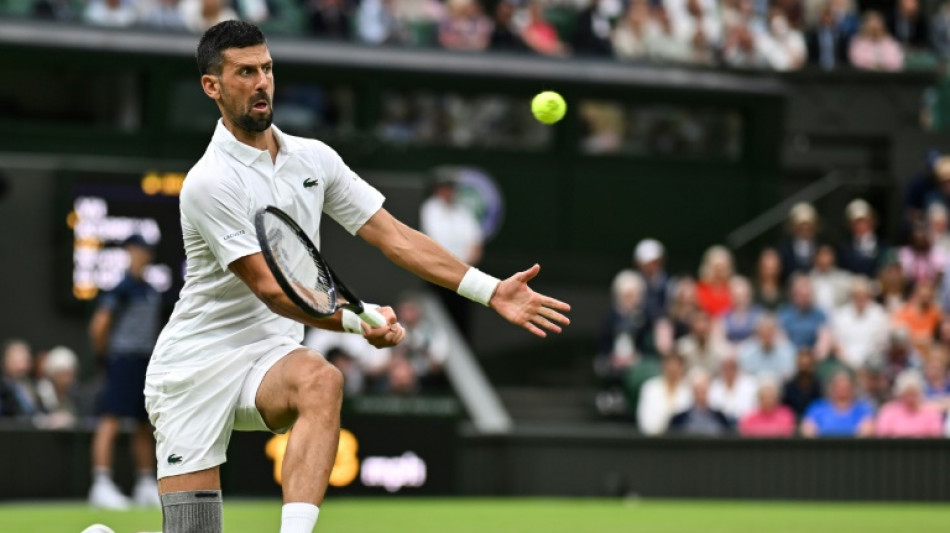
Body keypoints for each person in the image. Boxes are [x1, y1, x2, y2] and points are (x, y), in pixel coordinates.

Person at [127, 21, 570, 533]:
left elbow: (396, 237)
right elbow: (272, 289)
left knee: (321, 379)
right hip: (194, 369)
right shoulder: (209, 182)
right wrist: (358, 322)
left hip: (269, 358)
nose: (262, 82)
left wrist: (490, 291)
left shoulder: (314, 159)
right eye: (245, 72)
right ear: (212, 86)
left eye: (267, 68)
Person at [88, 235, 163, 510]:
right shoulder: (121, 288)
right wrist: (107, 358)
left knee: (144, 423)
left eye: (147, 251)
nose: (143, 255)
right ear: (130, 252)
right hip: (122, 361)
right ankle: (101, 484)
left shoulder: (150, 290)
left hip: (145, 363)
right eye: (139, 250)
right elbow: (99, 327)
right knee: (110, 419)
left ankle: (145, 483)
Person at [420, 173, 485, 339]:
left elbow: (476, 245)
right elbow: (433, 243)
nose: (448, 192)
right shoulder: (430, 209)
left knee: (462, 321)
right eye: (445, 188)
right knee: (440, 319)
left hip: (464, 277)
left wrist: (465, 270)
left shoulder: (464, 212)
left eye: (451, 188)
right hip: (438, 277)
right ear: (437, 190)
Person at [830, 276, 889, 370]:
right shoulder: (841, 315)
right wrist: (848, 362)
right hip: (845, 362)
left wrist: (865, 364)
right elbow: (837, 343)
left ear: (869, 296)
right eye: (857, 296)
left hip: (872, 363)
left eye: (864, 295)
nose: (860, 299)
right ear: (851, 297)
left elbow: (880, 343)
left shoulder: (879, 314)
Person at [801, 371, 875, 437]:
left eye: (846, 387)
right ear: (831, 388)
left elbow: (866, 431)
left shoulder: (863, 409)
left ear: (852, 388)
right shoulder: (817, 408)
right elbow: (807, 430)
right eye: (838, 386)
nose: (842, 390)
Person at [875, 370, 944, 437]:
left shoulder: (931, 413)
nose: (910, 398)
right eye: (907, 394)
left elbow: (936, 436)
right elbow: (883, 436)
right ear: (900, 394)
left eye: (913, 394)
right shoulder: (888, 411)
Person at [637, 353, 691, 435]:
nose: (672, 369)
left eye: (676, 366)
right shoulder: (650, 387)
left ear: (682, 368)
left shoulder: (689, 390)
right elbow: (644, 419)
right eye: (670, 365)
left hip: (680, 438)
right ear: (664, 366)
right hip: (653, 437)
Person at [777, 274, 832, 356]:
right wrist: (795, 355)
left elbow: (824, 338)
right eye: (801, 295)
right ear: (794, 294)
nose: (804, 298)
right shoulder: (784, 313)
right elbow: (781, 339)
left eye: (807, 295)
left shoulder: (820, 314)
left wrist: (813, 355)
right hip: (790, 355)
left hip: (813, 355)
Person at [668, 371, 733, 436]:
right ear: (692, 391)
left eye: (703, 389)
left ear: (708, 390)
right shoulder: (678, 420)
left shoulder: (720, 418)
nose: (700, 393)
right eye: (697, 389)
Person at [34, 346, 80, 430]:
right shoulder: (40, 394)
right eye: (63, 374)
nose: (67, 380)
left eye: (70, 374)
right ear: (53, 374)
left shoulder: (76, 395)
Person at [838, 199, 887, 277]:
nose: (861, 226)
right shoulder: (845, 251)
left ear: (872, 221)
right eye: (856, 223)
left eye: (864, 221)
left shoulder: (884, 246)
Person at [738, 314, 796, 380]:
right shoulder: (747, 351)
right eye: (763, 331)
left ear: (776, 332)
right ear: (757, 333)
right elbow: (745, 375)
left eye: (770, 331)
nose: (766, 334)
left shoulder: (787, 350)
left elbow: (788, 374)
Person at [892, 280, 942, 353]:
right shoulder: (903, 312)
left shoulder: (936, 313)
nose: (926, 298)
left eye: (929, 296)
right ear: (915, 294)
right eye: (923, 296)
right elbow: (899, 337)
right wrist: (921, 340)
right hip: (909, 353)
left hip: (929, 352)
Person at [634, 238, 675, 324]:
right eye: (648, 263)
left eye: (655, 262)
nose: (652, 266)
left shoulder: (670, 283)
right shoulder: (633, 283)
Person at [708, 352, 758, 420]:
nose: (729, 371)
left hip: (744, 421)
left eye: (732, 368)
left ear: (737, 368)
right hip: (721, 423)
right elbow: (713, 408)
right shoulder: (715, 386)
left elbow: (753, 408)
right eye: (725, 368)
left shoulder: (749, 385)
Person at [676, 310, 729, 375]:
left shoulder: (720, 349)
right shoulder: (682, 348)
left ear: (710, 327)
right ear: (691, 328)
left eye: (704, 322)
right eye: (697, 322)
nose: (701, 326)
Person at [777, 202, 820, 281]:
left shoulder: (821, 246)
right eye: (801, 226)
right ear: (793, 227)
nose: (805, 229)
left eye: (808, 226)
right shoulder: (784, 249)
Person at [0, 339, 40, 419]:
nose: (21, 367)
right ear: (4, 362)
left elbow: (39, 410)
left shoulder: (33, 385)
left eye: (25, 361)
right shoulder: (2, 389)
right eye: (16, 362)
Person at [781, 347, 824, 419]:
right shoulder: (789, 386)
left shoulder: (818, 385)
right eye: (802, 364)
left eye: (807, 365)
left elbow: (820, 407)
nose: (804, 367)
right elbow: (785, 409)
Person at [810, 244, 851, 314]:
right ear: (815, 258)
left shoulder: (844, 278)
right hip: (814, 317)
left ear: (833, 258)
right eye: (821, 255)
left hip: (839, 315)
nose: (824, 259)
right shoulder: (807, 279)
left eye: (827, 255)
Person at [720, 276, 762, 344]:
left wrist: (744, 347)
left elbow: (761, 339)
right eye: (737, 296)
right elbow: (719, 340)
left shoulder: (759, 314)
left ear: (750, 296)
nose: (740, 300)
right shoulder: (723, 316)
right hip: (729, 350)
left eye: (743, 296)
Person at [695, 245, 734, 318]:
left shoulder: (733, 288)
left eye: (723, 267)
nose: (719, 272)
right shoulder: (699, 289)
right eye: (717, 267)